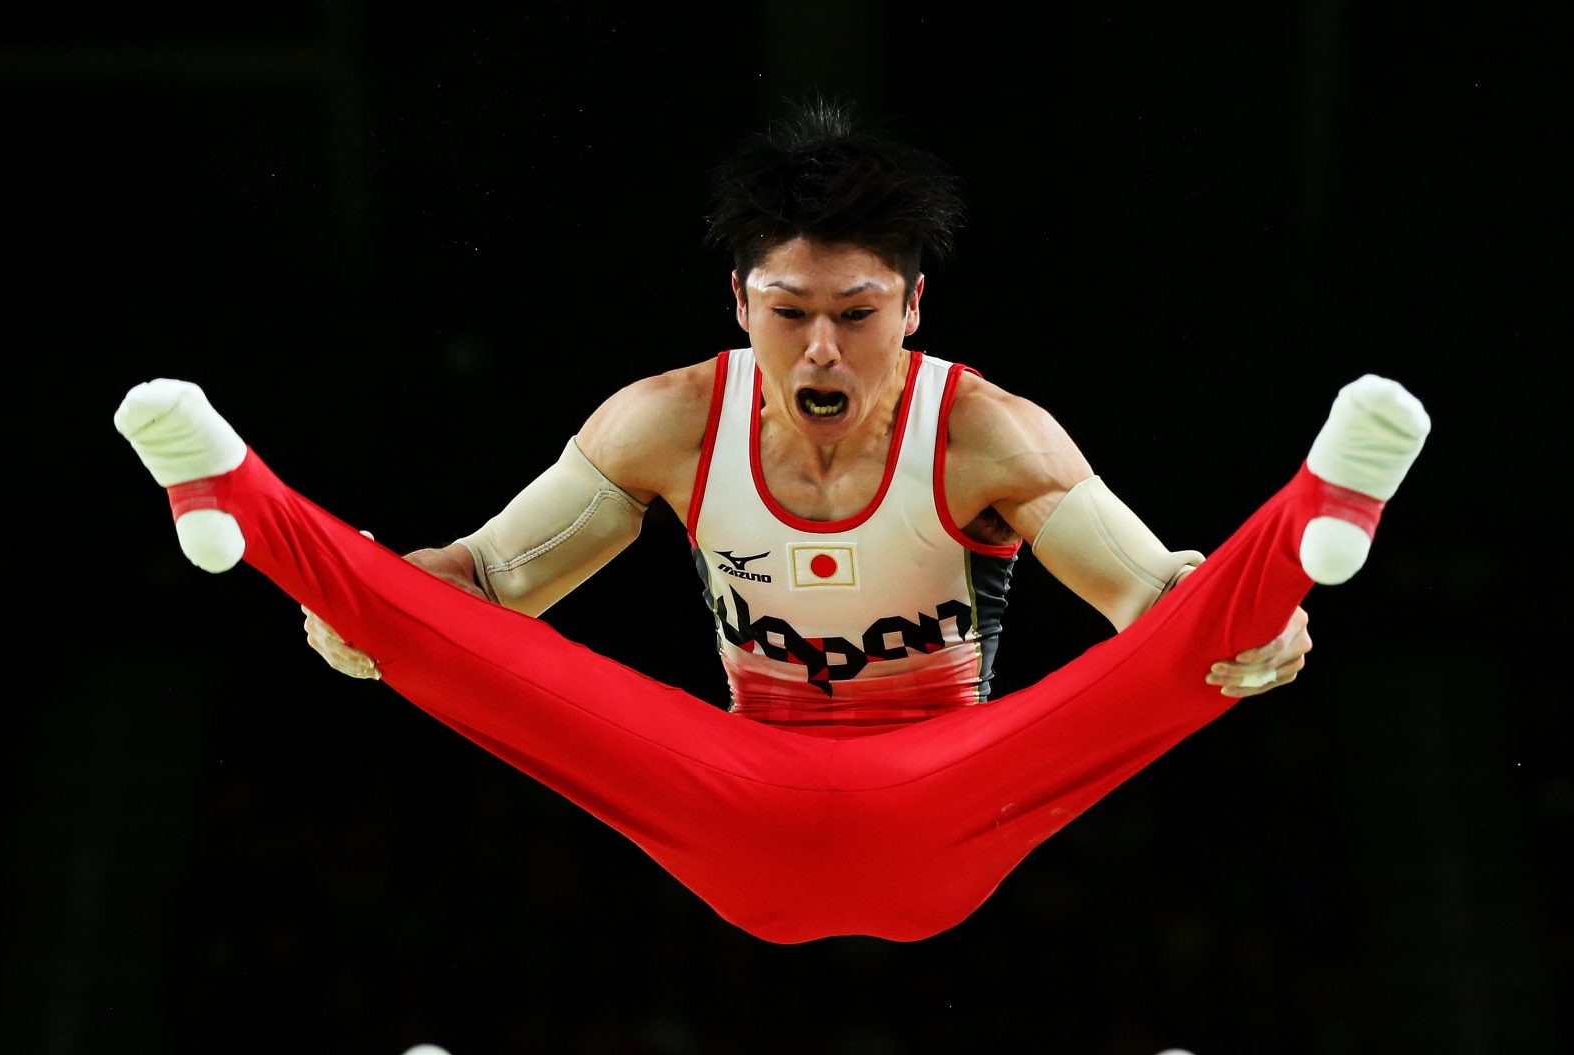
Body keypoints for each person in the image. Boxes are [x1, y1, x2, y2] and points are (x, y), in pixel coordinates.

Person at [115, 103, 1428, 943]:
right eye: (788, 310)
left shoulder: (987, 433)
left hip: (947, 805)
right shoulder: (666, 420)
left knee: (1195, 646)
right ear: (739, 300)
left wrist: (1226, 622)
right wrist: (396, 607)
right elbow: (495, 578)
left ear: (912, 307)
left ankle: (1317, 515)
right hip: (730, 808)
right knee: (461, 650)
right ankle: (243, 495)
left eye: (855, 314)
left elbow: (1146, 602)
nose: (820, 346)